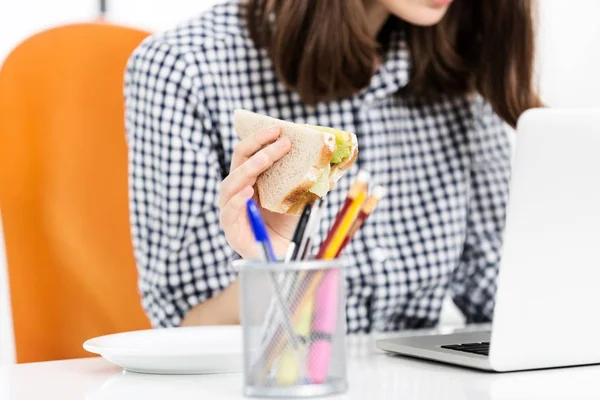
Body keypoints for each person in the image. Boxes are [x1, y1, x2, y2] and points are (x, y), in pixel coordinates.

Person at [124, 0, 540, 331]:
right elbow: (183, 323)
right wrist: (279, 268)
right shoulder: (185, 68)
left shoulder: (456, 58)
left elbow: (495, 288)